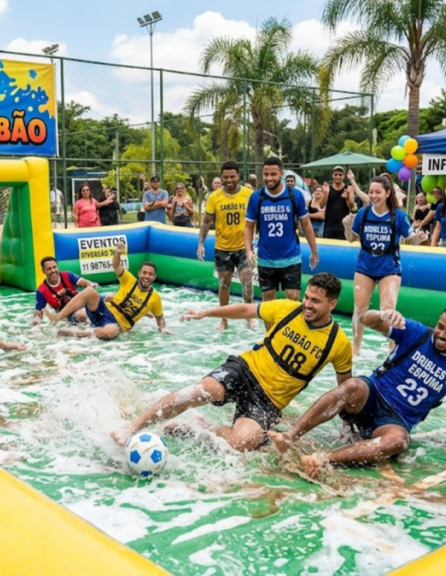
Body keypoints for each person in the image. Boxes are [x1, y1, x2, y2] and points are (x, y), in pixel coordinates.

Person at [110, 273, 353, 451]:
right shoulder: (288, 309)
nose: (308, 305)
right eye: (307, 297)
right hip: (246, 369)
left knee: (241, 443)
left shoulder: (338, 343)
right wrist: (207, 312)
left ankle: (199, 427)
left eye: (316, 301)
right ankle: (132, 427)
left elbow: (345, 388)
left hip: (270, 400)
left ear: (332, 304)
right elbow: (246, 310)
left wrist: (347, 424)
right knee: (199, 391)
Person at [268, 305, 446, 473]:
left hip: (395, 421)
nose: (441, 335)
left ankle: (323, 459)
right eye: (440, 326)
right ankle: (290, 436)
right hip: (372, 395)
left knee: (399, 442)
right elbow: (366, 319)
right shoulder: (416, 332)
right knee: (353, 385)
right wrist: (382, 314)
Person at [343, 175, 425, 358]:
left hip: (390, 268)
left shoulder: (399, 216)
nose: (373, 195)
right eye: (371, 192)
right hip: (365, 266)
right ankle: (355, 350)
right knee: (360, 309)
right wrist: (347, 227)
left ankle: (392, 350)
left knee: (388, 311)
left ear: (388, 193)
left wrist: (419, 238)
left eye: (378, 192)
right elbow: (350, 238)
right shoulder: (363, 214)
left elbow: (412, 241)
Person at [244, 156, 320, 325]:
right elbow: (248, 226)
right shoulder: (257, 198)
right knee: (268, 302)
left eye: (273, 174)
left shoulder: (295, 196)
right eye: (266, 174)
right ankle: (270, 338)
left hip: (291, 258)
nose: (269, 178)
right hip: (265, 259)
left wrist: (314, 251)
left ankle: (290, 337)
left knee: (293, 300)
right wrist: (248, 250)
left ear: (282, 173)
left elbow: (306, 224)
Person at [44, 242, 167, 340]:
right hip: (105, 310)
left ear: (154, 277)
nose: (146, 276)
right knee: (88, 293)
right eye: (144, 273)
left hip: (117, 323)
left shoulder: (154, 298)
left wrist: (163, 329)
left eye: (150, 274)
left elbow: (160, 318)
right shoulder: (129, 280)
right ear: (139, 273)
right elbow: (116, 265)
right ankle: (58, 317)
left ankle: (78, 333)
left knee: (111, 331)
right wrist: (118, 253)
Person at [198, 160, 255, 331]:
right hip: (222, 248)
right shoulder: (214, 197)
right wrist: (200, 243)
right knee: (224, 284)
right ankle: (224, 318)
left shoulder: (248, 194)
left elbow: (257, 218)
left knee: (247, 281)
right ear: (221, 178)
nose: (229, 180)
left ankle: (249, 316)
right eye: (225, 177)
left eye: (232, 176)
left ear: (238, 176)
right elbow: (207, 221)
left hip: (244, 248)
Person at [33, 256, 95, 324]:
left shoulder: (68, 275)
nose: (53, 271)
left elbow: (85, 283)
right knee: (81, 314)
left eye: (54, 267)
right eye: (49, 269)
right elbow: (38, 313)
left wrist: (91, 284)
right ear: (43, 271)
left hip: (84, 307)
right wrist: (35, 328)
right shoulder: (41, 291)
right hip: (70, 317)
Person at [322, 166, 356, 240]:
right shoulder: (327, 189)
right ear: (332, 175)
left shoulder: (349, 188)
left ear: (344, 176)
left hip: (343, 225)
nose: (338, 177)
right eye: (336, 174)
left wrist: (347, 198)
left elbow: (351, 206)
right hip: (329, 225)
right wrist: (325, 193)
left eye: (340, 175)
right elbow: (321, 205)